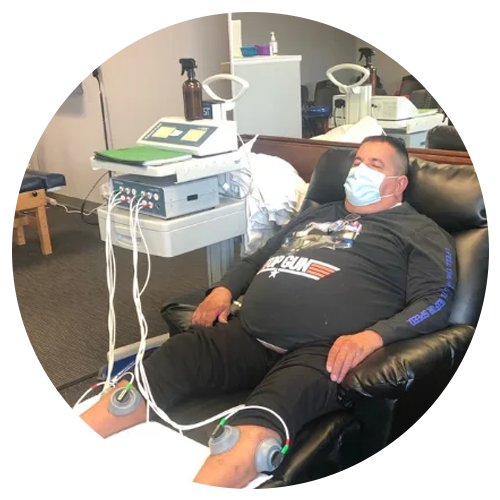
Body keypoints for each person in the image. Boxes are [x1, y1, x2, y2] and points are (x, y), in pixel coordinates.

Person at [12, 136, 457, 489]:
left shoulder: (418, 231)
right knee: (170, 360)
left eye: (375, 165)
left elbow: (436, 300)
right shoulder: (315, 214)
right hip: (248, 331)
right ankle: (55, 448)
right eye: (358, 161)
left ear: (399, 184)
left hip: (321, 350)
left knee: (264, 415)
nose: (359, 169)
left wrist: (373, 337)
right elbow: (257, 256)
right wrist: (224, 289)